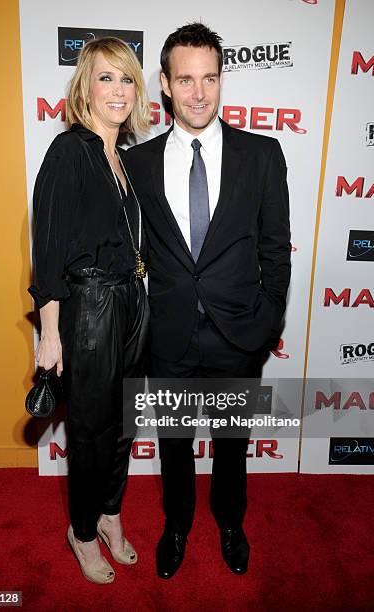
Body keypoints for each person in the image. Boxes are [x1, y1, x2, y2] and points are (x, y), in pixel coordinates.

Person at [127, 23, 291, 578]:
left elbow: (276, 249)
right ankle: (176, 526)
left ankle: (230, 522)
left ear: (221, 81)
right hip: (168, 338)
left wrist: (267, 321)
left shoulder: (262, 155)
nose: (200, 93)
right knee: (173, 447)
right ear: (166, 87)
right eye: (186, 80)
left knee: (232, 445)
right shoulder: (140, 163)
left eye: (210, 79)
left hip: (239, 335)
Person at [28, 37, 150, 584]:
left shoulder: (120, 158)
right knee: (90, 431)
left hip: (130, 301)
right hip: (90, 308)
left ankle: (109, 513)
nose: (118, 90)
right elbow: (49, 249)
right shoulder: (70, 151)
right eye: (106, 78)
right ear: (85, 87)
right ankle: (80, 532)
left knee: (122, 423)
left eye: (126, 79)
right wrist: (50, 334)